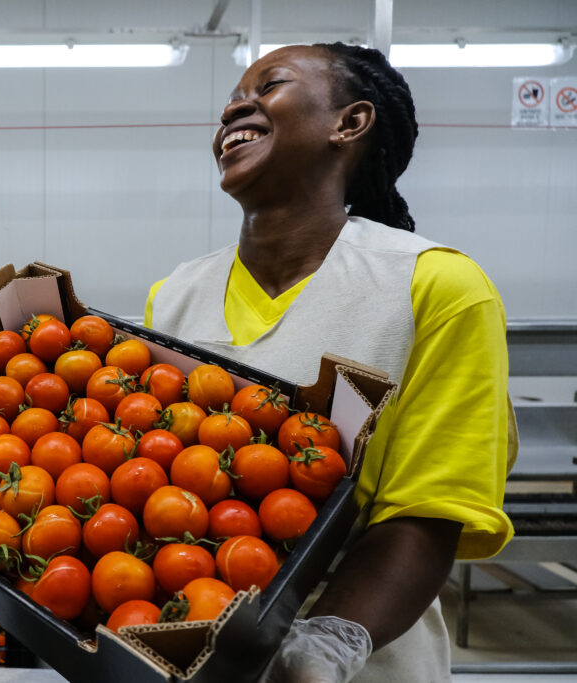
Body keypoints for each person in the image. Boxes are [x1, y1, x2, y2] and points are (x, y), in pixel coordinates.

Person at [144, 43, 515, 682]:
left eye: (271, 84)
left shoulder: (434, 287)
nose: (237, 103)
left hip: (366, 662)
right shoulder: (174, 295)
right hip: (188, 648)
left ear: (350, 123)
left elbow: (428, 511)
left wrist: (329, 643)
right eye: (234, 94)